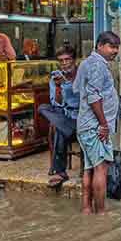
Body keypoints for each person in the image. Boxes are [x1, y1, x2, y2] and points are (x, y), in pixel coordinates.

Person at [73, 31, 120, 215]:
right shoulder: (98, 66)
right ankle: (101, 214)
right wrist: (104, 124)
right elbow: (93, 97)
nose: (115, 51)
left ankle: (86, 209)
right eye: (111, 46)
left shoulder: (86, 63)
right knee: (101, 168)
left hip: (85, 125)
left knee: (89, 168)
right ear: (100, 45)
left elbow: (77, 89)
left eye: (117, 47)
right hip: (95, 127)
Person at [38, 45, 80, 187]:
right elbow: (57, 104)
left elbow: (83, 99)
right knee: (43, 108)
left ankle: (60, 172)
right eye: (61, 61)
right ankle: (66, 127)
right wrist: (58, 89)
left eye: (67, 60)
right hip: (65, 115)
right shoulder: (56, 77)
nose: (64, 63)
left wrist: (67, 85)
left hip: (80, 115)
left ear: (74, 60)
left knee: (59, 129)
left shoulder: (81, 75)